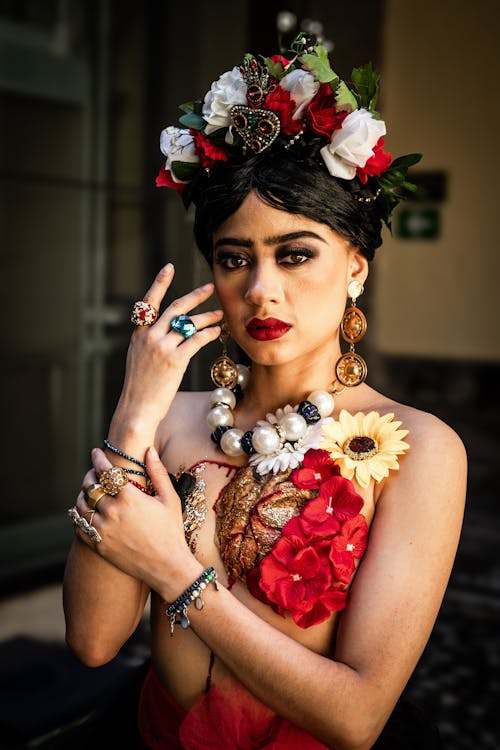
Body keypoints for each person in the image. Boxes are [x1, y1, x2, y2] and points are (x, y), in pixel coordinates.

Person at [63, 33, 466, 749]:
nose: (260, 290)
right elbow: (94, 642)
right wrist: (134, 410)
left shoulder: (423, 449)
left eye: (295, 254)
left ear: (356, 267)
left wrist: (171, 569)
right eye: (233, 258)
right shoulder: (170, 423)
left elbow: (357, 717)